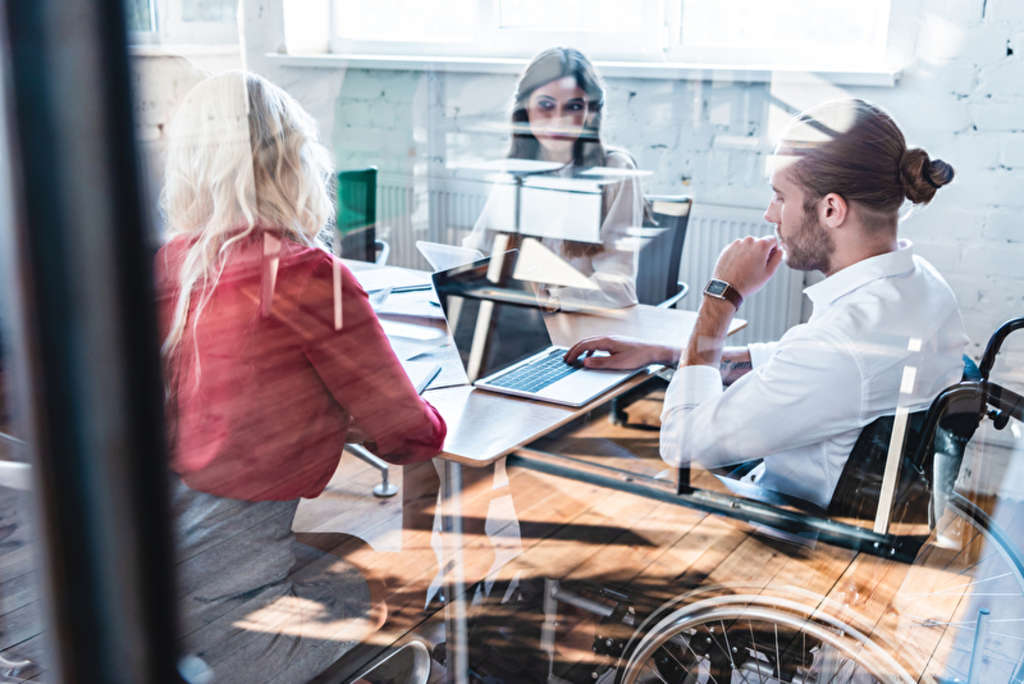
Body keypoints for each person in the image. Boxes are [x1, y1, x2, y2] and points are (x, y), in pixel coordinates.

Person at [155, 71, 446, 682]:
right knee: (392, 600)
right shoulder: (307, 274)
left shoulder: (173, 263)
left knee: (352, 558)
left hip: (154, 582)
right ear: (294, 160)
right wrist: (421, 404)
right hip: (231, 626)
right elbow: (409, 437)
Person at [565, 99, 968, 509]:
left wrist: (722, 295)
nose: (769, 213)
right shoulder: (924, 287)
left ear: (831, 209)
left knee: (584, 457)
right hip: (839, 510)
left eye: (779, 196)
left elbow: (682, 444)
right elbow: (794, 366)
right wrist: (665, 354)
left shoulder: (839, 347)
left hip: (786, 532)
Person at [463, 46, 646, 309]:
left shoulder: (615, 171)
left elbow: (619, 289)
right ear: (526, 108)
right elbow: (480, 253)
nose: (559, 121)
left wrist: (551, 299)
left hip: (579, 325)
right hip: (518, 319)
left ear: (590, 113)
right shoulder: (516, 170)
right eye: (546, 106)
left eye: (573, 107)